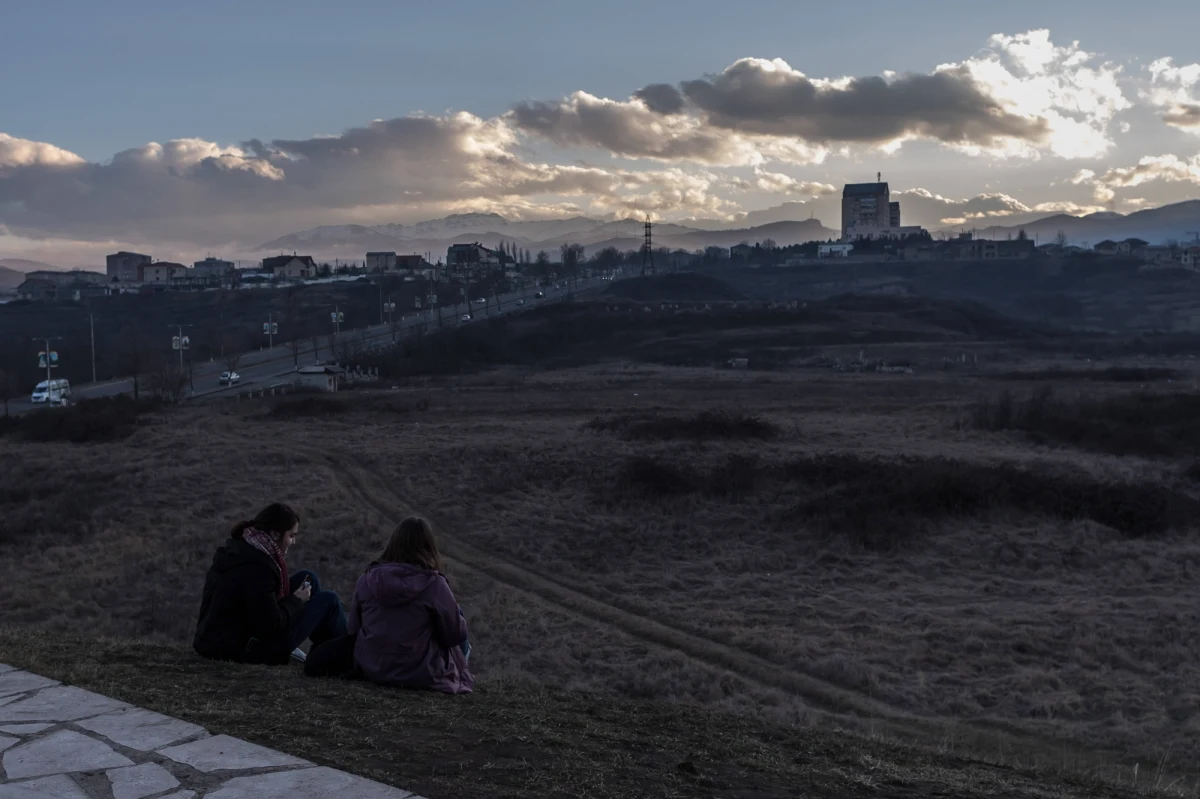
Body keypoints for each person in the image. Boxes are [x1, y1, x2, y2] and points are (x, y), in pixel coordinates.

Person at [306, 516, 473, 693]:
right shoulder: (435, 584)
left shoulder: (367, 580)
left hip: (372, 667)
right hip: (421, 673)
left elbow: (354, 629)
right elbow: (455, 636)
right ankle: (460, 672)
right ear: (429, 547)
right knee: (455, 616)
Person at [193, 502, 347, 665]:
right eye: (291, 536)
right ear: (274, 534)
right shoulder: (258, 568)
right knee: (330, 600)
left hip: (214, 639)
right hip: (241, 648)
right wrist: (296, 600)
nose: (293, 542)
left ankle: (324, 656)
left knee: (308, 578)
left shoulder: (241, 548)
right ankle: (340, 660)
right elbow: (270, 625)